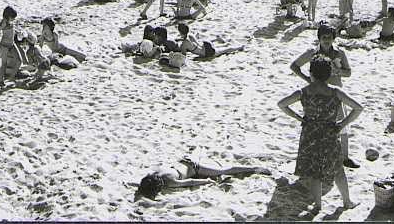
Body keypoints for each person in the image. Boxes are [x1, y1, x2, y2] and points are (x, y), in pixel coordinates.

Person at [278, 57, 362, 215]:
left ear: (311, 73)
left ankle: (317, 206)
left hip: (310, 135)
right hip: (330, 135)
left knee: (314, 172)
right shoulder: (335, 92)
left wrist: (298, 117)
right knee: (338, 169)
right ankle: (347, 202)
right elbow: (358, 108)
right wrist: (342, 124)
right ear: (329, 74)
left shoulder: (303, 92)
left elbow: (282, 104)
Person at [290, 24, 359, 169]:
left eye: (329, 37)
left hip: (335, 93)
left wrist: (337, 71)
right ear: (319, 38)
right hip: (316, 94)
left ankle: (345, 158)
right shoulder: (312, 53)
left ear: (334, 38)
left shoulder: (339, 54)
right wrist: (308, 80)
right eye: (324, 37)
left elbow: (349, 73)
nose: (326, 40)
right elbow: (294, 66)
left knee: (342, 125)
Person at [135, 155, 270, 200]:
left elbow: (191, 181)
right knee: (223, 170)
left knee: (224, 170)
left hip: (195, 168)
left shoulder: (170, 182)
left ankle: (254, 168)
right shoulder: (154, 173)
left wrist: (207, 181)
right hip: (184, 161)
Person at [0, 6, 24, 83]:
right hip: (4, 46)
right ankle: (1, 81)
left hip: (12, 44)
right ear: (8, 16)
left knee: (19, 61)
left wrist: (18, 32)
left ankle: (11, 78)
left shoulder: (10, 22)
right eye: (12, 17)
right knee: (4, 64)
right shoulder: (4, 21)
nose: (13, 19)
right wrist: (2, 25)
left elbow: (11, 31)